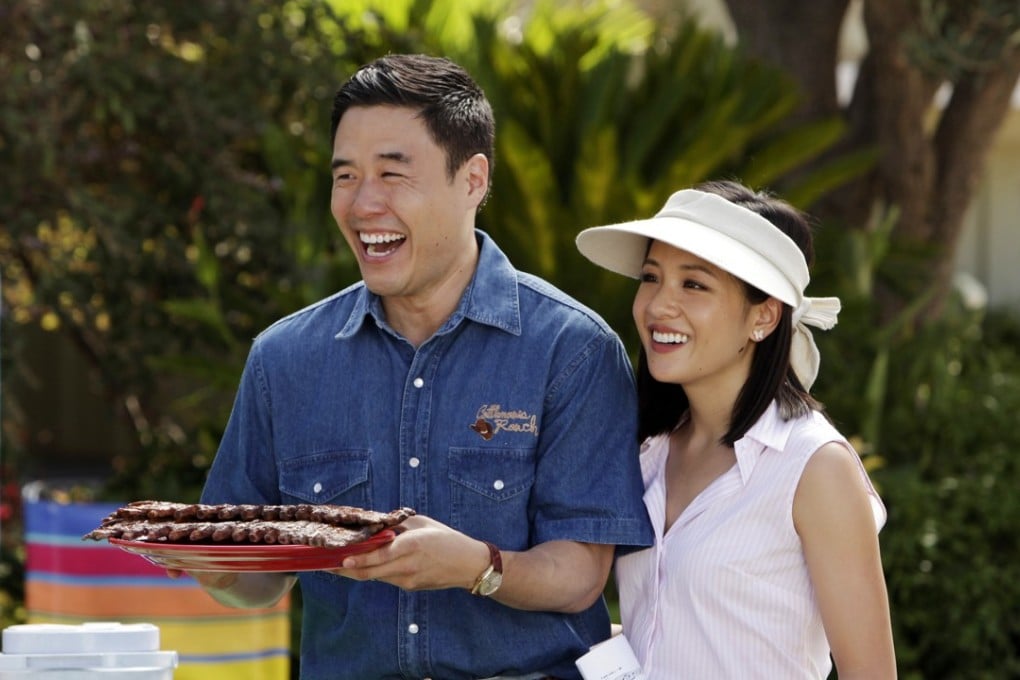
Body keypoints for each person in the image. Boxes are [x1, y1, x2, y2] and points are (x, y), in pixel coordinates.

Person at [192, 54, 654, 680]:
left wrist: (476, 567)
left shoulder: (571, 349)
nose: (363, 204)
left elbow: (579, 576)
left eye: (392, 173)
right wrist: (212, 567)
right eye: (346, 176)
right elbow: (260, 581)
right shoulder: (284, 359)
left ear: (472, 180)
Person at [575, 181, 897, 679]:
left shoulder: (814, 466)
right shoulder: (649, 449)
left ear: (763, 316)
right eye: (651, 277)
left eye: (694, 284)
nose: (659, 305)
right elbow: (678, 631)